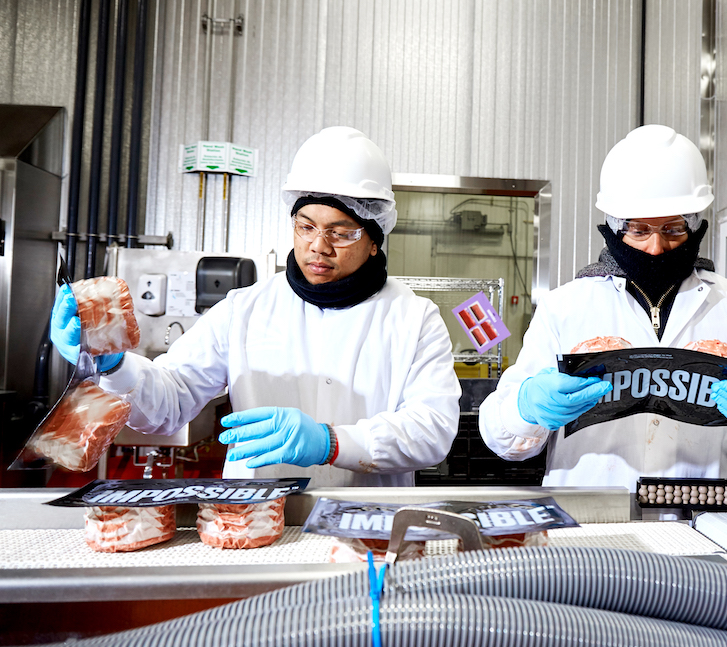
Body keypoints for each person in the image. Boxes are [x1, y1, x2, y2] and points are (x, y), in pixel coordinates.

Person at [50, 126, 461, 486]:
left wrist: (331, 442)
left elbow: (432, 431)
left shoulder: (413, 318)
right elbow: (170, 403)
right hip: (254, 526)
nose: (318, 245)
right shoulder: (245, 310)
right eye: (306, 227)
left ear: (374, 241)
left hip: (367, 530)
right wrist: (115, 366)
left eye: (341, 232)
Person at [478, 125, 727, 489]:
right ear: (615, 228)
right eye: (640, 230)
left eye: (674, 229)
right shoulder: (566, 306)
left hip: (706, 519)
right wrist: (526, 409)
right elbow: (503, 440)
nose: (656, 248)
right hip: (590, 519)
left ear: (695, 227)